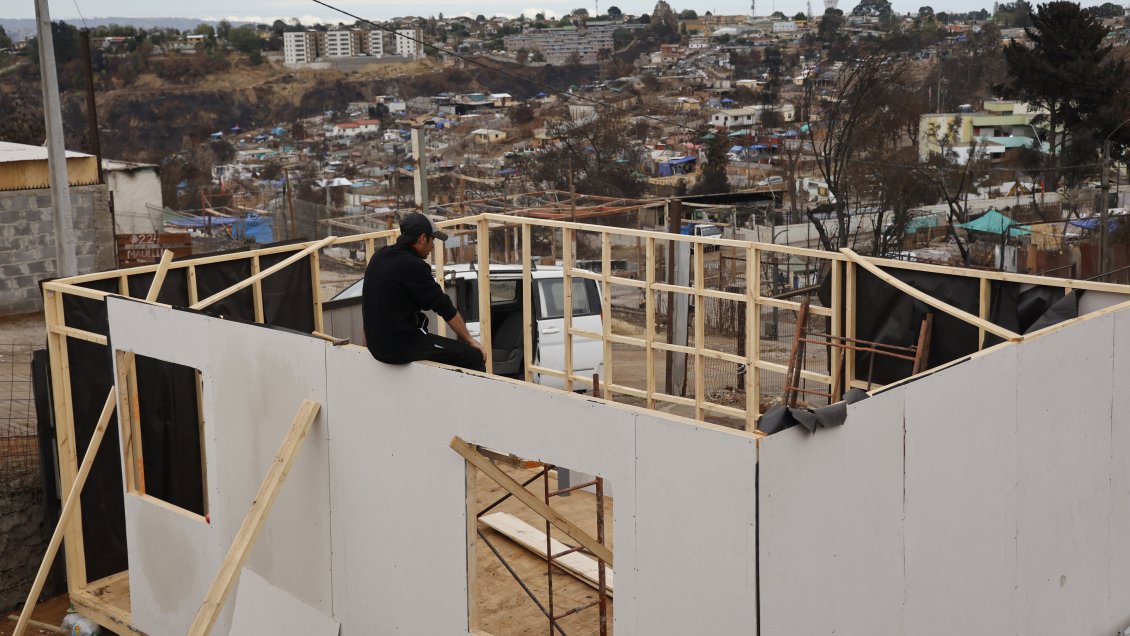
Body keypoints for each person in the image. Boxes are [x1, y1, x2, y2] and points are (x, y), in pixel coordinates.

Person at [362, 212, 486, 371]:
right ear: (421, 239)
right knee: (474, 357)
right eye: (432, 240)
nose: (433, 247)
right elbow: (444, 306)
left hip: (376, 344)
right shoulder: (413, 266)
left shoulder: (380, 255)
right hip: (397, 348)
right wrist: (470, 340)